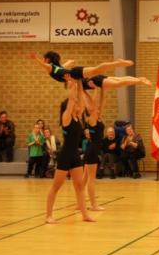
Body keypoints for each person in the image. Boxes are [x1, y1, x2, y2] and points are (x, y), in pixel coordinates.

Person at [46, 77, 94, 224]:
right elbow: (73, 98)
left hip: (75, 155)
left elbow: (79, 97)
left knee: (79, 186)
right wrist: (72, 84)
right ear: (69, 106)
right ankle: (48, 216)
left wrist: (78, 81)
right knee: (56, 186)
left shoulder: (78, 117)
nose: (78, 104)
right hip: (65, 155)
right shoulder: (66, 117)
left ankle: (85, 215)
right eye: (75, 104)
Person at [30, 51, 133, 85]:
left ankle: (118, 63)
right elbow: (65, 66)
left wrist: (36, 59)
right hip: (74, 72)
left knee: (97, 70)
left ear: (47, 59)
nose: (43, 61)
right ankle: (117, 63)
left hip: (75, 73)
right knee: (97, 70)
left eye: (43, 59)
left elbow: (42, 65)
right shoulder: (57, 67)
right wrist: (70, 61)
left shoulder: (50, 67)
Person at [81, 87, 106, 211]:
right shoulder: (92, 120)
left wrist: (102, 88)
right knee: (91, 179)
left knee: (85, 178)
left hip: (92, 151)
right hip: (92, 152)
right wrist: (95, 88)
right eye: (91, 107)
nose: (94, 107)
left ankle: (79, 203)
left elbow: (102, 101)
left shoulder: (98, 117)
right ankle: (94, 205)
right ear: (90, 111)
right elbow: (95, 102)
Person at [82, 75, 151, 90]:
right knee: (119, 79)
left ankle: (139, 81)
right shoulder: (79, 82)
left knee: (118, 84)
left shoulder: (77, 86)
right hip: (95, 78)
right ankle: (138, 79)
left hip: (95, 81)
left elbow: (83, 94)